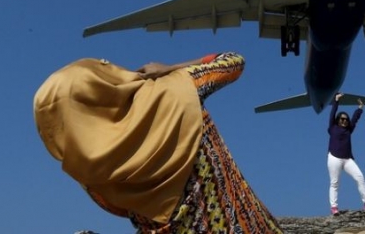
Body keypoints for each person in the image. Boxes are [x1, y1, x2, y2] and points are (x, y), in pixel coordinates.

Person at [34, 52, 282, 233]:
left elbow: (119, 209)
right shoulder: (176, 90)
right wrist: (172, 68)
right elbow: (233, 61)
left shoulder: (89, 171)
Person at [327, 92, 365, 215]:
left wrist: (360, 108)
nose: (344, 121)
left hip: (347, 159)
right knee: (334, 183)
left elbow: (355, 120)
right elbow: (332, 113)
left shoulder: (348, 130)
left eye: (346, 119)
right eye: (342, 119)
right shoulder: (332, 128)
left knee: (360, 177)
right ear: (337, 120)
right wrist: (336, 100)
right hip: (334, 158)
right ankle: (334, 207)